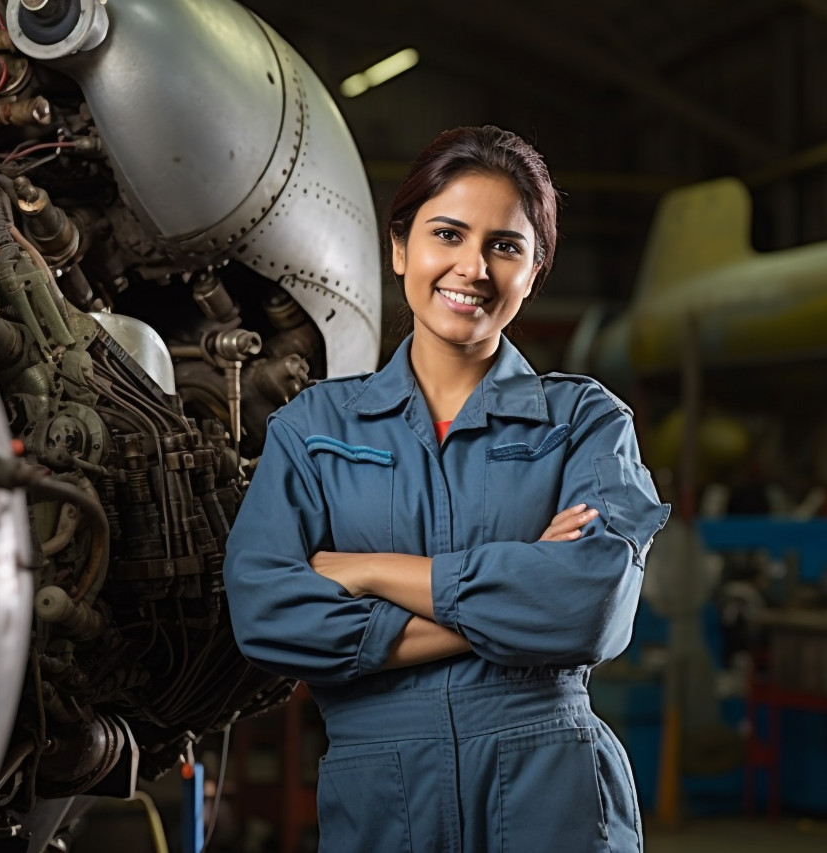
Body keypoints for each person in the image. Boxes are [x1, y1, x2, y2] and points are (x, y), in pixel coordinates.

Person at [224, 125, 670, 852]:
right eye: (448, 234)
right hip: (381, 796)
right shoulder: (314, 428)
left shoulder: (584, 419)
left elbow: (591, 608)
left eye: (506, 245)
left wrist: (371, 571)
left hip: (551, 791)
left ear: (534, 271)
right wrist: (519, 600)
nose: (473, 266)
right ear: (401, 248)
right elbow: (266, 613)